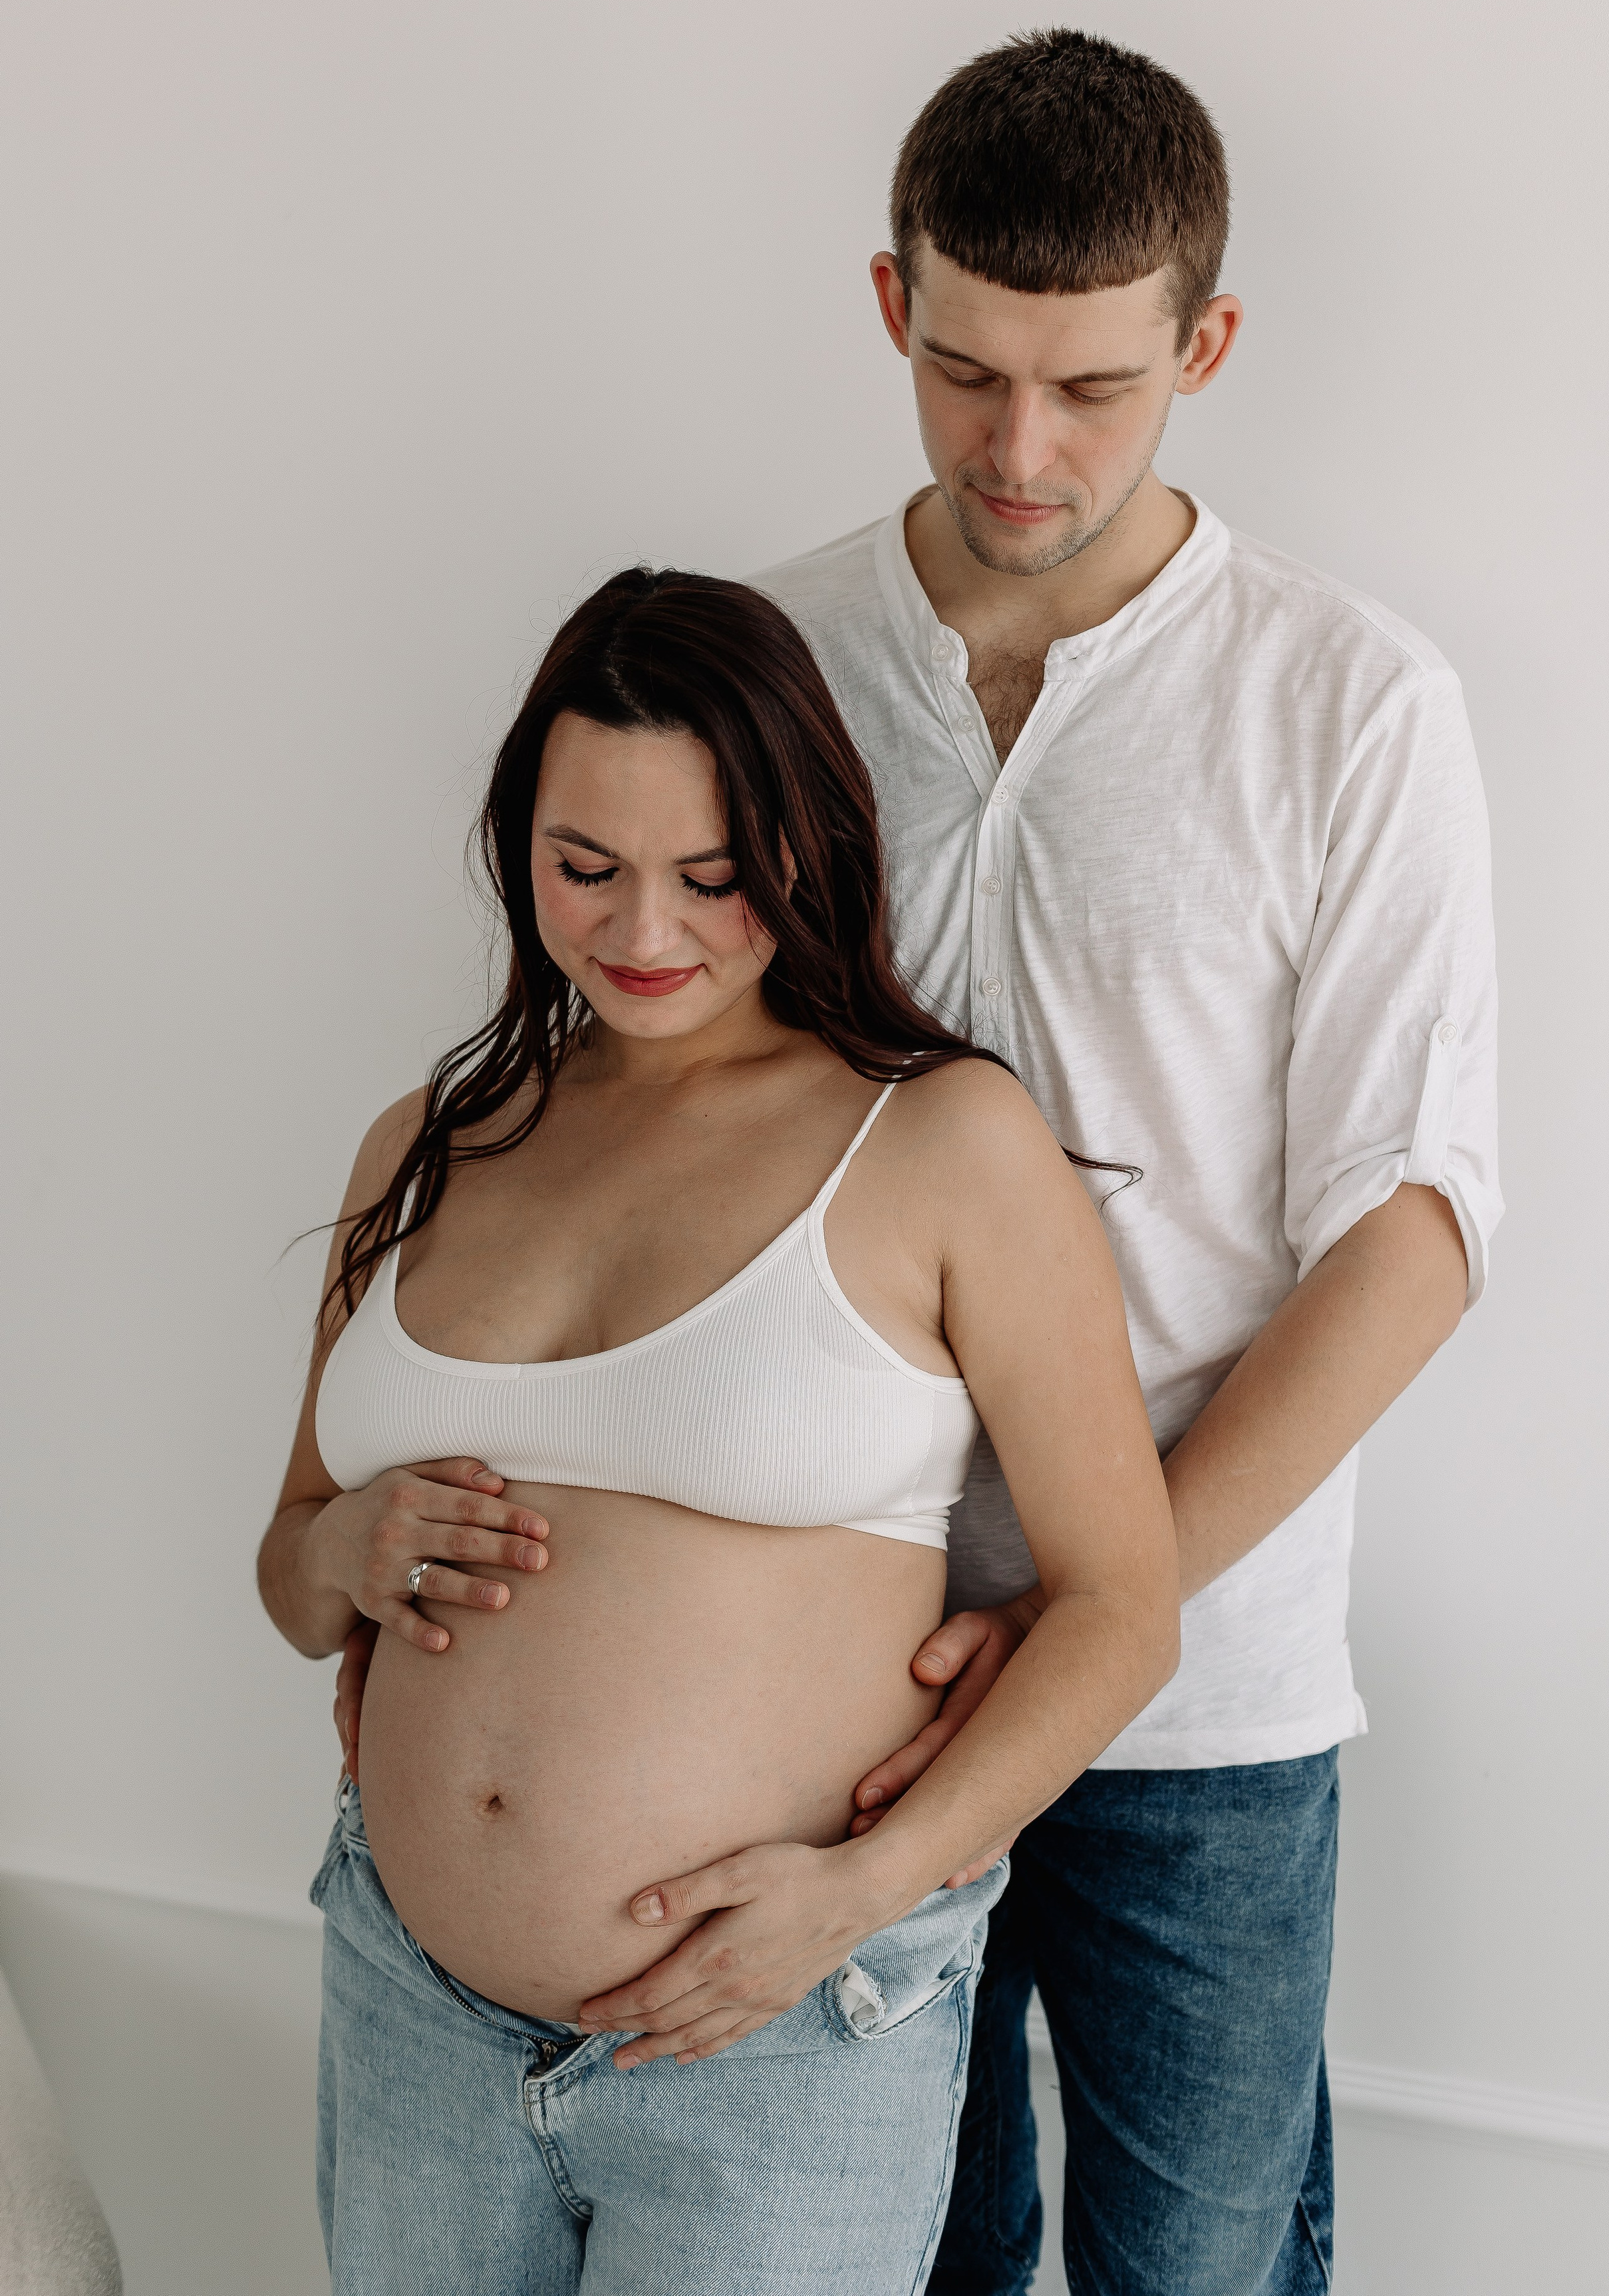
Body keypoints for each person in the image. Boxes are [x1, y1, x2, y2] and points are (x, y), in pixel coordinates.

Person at [743, 30, 1500, 2294]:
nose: (1020, 449)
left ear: (1207, 344)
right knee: (904, 2257)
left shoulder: (1350, 699)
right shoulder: (771, 664)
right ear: (892, 305)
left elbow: (1417, 1231)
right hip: (834, 1664)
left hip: (1210, 1692)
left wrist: (1099, 1609)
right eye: (966, 373)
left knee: (1201, 2268)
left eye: (1093, 388)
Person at [258, 568, 1180, 2296]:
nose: (642, 931)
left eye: (711, 874)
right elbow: (293, 1572)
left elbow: (1124, 1604)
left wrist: (873, 1884)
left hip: (772, 2038)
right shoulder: (427, 1144)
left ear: (808, 842)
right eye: (583, 868)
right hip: (409, 1998)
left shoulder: (944, 1144)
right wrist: (342, 1544)